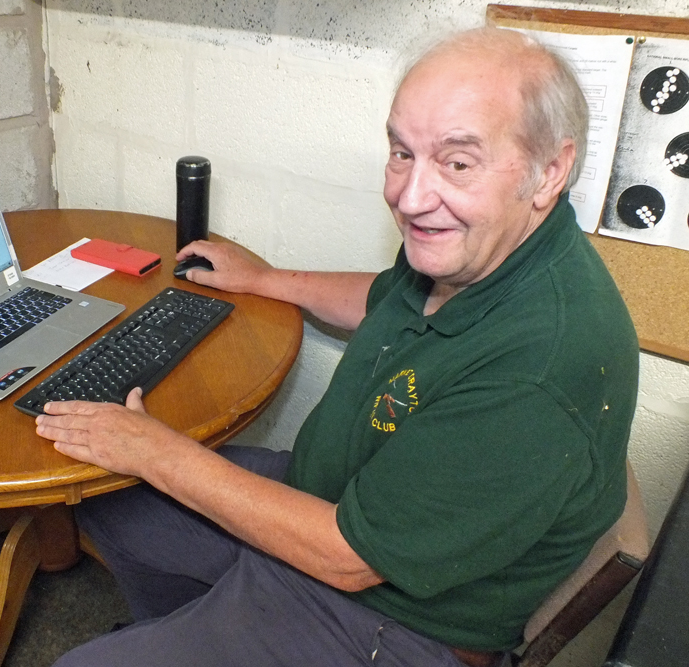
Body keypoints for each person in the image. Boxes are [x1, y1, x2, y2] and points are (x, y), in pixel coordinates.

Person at [36, 27, 639, 667]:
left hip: (390, 620)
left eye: (458, 163)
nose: (409, 198)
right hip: (336, 498)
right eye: (402, 153)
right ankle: (191, 626)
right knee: (107, 494)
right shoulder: (481, 254)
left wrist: (157, 452)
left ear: (551, 171)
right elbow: (385, 296)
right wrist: (268, 280)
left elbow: (350, 560)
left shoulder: (539, 369)